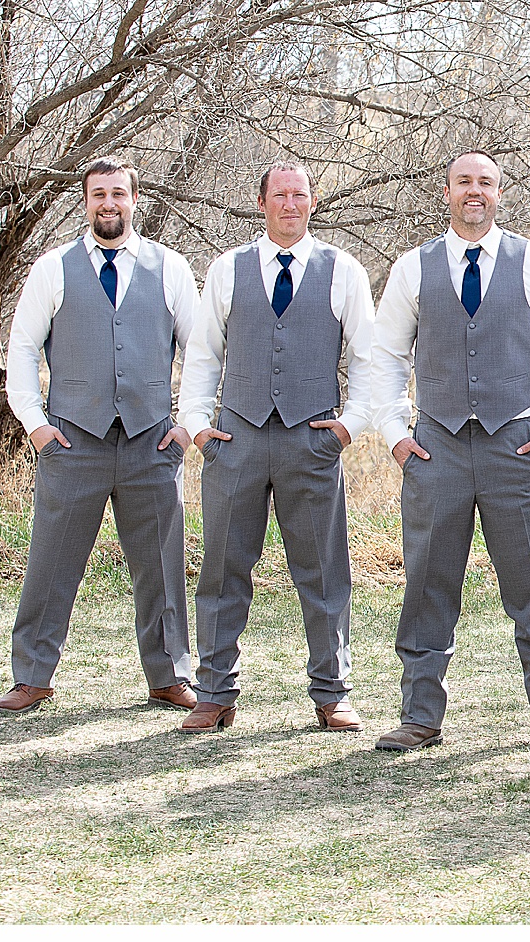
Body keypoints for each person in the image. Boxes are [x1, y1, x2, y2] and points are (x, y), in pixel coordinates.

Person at [367, 151, 530, 753]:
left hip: (515, 446)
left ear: (498, 193)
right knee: (429, 581)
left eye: (485, 183)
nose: (475, 192)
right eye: (464, 182)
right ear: (446, 192)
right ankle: (419, 713)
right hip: (434, 448)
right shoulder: (413, 267)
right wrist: (396, 434)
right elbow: (384, 356)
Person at [0, 159, 198, 714]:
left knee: (161, 563)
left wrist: (187, 424)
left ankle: (170, 674)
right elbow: (22, 352)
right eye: (98, 194)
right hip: (72, 440)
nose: (109, 204)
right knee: (51, 562)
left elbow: (204, 352)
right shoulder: (52, 269)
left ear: (135, 200)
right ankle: (31, 674)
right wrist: (36, 425)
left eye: (118, 194)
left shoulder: (170, 268)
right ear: (86, 202)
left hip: (151, 442)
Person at [176, 162, 376, 733]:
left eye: (301, 195)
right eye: (280, 195)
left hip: (311, 440)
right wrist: (196, 424)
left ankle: (331, 692)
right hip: (235, 438)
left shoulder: (343, 271)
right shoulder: (226, 269)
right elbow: (203, 354)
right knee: (222, 567)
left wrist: (349, 426)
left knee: (323, 570)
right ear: (261, 201)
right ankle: (214, 692)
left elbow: (368, 357)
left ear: (312, 203)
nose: (291, 204)